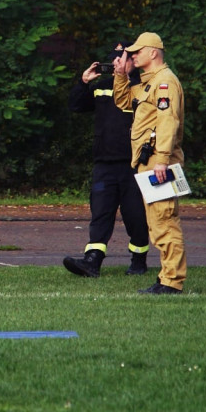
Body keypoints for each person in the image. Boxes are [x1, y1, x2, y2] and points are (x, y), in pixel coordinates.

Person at [63, 41, 150, 277]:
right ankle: (92, 261)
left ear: (133, 62)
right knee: (101, 212)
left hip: (133, 165)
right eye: (113, 59)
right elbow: (76, 105)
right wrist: (83, 82)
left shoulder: (143, 88)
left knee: (136, 216)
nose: (115, 63)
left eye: (120, 58)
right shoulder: (102, 86)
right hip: (104, 163)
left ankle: (139, 260)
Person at [113, 32, 187, 294]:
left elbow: (169, 121)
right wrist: (121, 74)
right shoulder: (149, 83)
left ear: (153, 52)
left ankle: (172, 281)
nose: (132, 56)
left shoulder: (164, 82)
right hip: (150, 161)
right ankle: (167, 276)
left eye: (137, 52)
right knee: (157, 222)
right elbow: (123, 101)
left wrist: (163, 160)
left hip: (159, 161)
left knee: (165, 221)